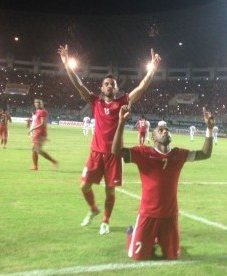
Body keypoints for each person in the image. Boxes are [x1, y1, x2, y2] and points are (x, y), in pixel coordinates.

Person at [58, 44, 161, 235]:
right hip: (96, 152)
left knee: (110, 191)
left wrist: (153, 70)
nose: (109, 86)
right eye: (106, 83)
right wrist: (66, 64)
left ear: (117, 88)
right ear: (102, 87)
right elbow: (78, 84)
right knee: (84, 186)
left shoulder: (124, 102)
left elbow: (142, 87)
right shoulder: (95, 101)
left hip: (114, 154)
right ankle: (94, 209)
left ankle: (105, 220)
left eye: (113, 84)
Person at [112, 106, 215, 260]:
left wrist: (209, 129)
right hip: (148, 215)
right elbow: (116, 152)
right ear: (153, 137)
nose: (165, 131)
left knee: (173, 256)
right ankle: (131, 233)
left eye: (166, 130)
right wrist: (120, 123)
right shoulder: (143, 153)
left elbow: (205, 154)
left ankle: (156, 238)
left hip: (170, 215)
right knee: (137, 256)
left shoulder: (178, 154)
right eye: (160, 130)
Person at [28, 99, 58, 170]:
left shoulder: (42, 112)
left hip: (41, 133)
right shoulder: (38, 111)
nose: (37, 104)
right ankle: (36, 166)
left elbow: (42, 123)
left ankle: (37, 166)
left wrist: (32, 129)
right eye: (36, 103)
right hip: (38, 132)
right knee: (36, 150)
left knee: (36, 149)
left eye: (39, 103)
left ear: (42, 104)